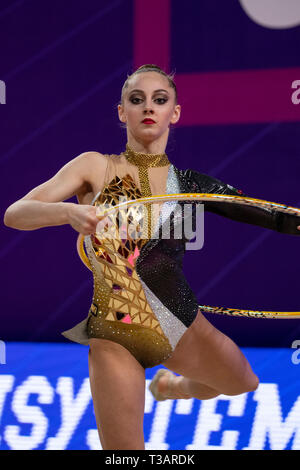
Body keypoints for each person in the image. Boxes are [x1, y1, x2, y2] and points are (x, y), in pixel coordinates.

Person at [4, 64, 300, 451]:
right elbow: (15, 213)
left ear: (173, 113)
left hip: (181, 322)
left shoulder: (190, 185)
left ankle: (172, 388)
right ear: (121, 111)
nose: (149, 107)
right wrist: (68, 213)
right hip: (118, 327)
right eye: (136, 99)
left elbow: (273, 216)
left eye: (160, 100)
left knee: (243, 382)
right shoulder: (95, 166)